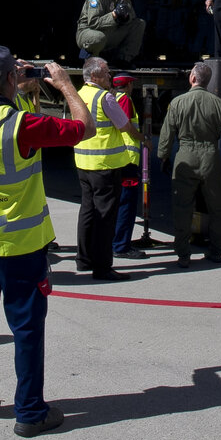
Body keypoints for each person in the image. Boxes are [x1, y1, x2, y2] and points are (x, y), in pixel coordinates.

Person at [0, 45, 94, 436]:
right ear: (11, 78)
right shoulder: (22, 126)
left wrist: (16, 83)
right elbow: (85, 128)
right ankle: (30, 411)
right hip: (17, 245)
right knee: (26, 329)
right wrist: (65, 85)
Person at [157, 61, 221, 265]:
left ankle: (183, 254)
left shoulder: (177, 103)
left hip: (185, 154)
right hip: (209, 156)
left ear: (192, 78)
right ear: (207, 81)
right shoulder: (217, 103)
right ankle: (216, 251)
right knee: (217, 208)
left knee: (182, 207)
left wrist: (163, 156)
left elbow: (166, 135)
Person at [72, 57, 143, 281]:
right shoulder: (105, 98)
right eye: (106, 73)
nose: (110, 77)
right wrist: (143, 138)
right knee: (105, 217)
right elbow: (124, 125)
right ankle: (102, 267)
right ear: (94, 76)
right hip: (105, 164)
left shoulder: (78, 95)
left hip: (83, 162)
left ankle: (83, 259)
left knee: (87, 212)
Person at [76, 0, 145, 65]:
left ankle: (123, 60)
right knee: (99, 37)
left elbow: (131, 19)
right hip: (89, 33)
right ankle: (91, 62)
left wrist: (125, 17)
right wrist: (114, 15)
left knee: (139, 24)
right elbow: (93, 23)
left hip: (109, 32)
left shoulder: (125, 0)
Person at [111, 75, 147, 259]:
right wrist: (143, 139)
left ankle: (116, 241)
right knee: (127, 204)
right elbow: (126, 126)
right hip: (129, 160)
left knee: (117, 202)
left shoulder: (112, 97)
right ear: (129, 85)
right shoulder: (125, 99)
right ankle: (121, 245)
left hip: (119, 158)